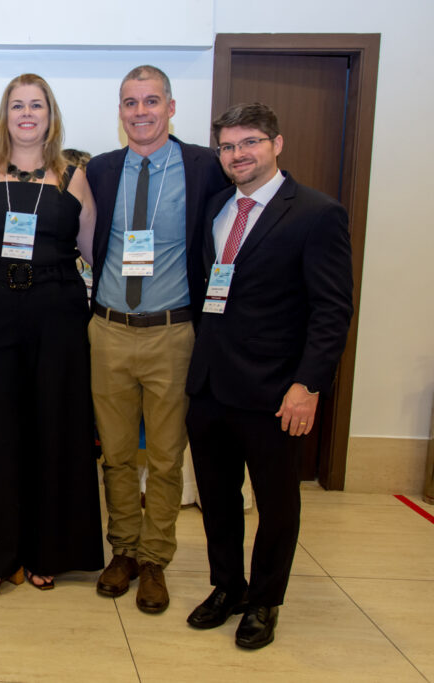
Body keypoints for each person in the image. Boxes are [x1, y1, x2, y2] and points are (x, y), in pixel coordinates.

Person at [185, 103, 353, 649]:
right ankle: (227, 587)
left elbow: (331, 310)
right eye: (229, 146)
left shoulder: (315, 213)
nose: (239, 154)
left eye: (250, 142)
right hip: (210, 386)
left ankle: (265, 602)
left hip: (276, 391)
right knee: (217, 497)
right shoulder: (215, 208)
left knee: (277, 505)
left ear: (276, 144)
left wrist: (309, 386)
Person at [0, 73, 103, 604]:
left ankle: (48, 552)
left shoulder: (73, 176)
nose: (26, 114)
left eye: (36, 105)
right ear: (5, 114)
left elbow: (92, 254)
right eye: (17, 105)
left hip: (58, 314)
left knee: (54, 427)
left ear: (50, 115)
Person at [84, 65, 228, 614]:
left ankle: (155, 561)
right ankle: (122, 550)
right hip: (109, 331)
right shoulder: (98, 170)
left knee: (166, 458)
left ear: (171, 107)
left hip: (174, 332)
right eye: (129, 102)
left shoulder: (204, 167)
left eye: (151, 101)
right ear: (119, 111)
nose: (140, 112)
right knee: (117, 455)